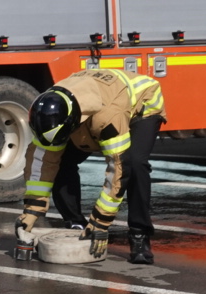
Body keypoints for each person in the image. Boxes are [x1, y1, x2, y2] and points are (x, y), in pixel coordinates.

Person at [15, 66, 167, 265]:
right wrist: (31, 209)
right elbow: (43, 161)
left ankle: (139, 236)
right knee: (61, 162)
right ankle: (76, 224)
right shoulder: (50, 109)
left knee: (136, 164)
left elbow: (119, 167)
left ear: (72, 121)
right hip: (91, 107)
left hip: (140, 106)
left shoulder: (109, 116)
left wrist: (100, 221)